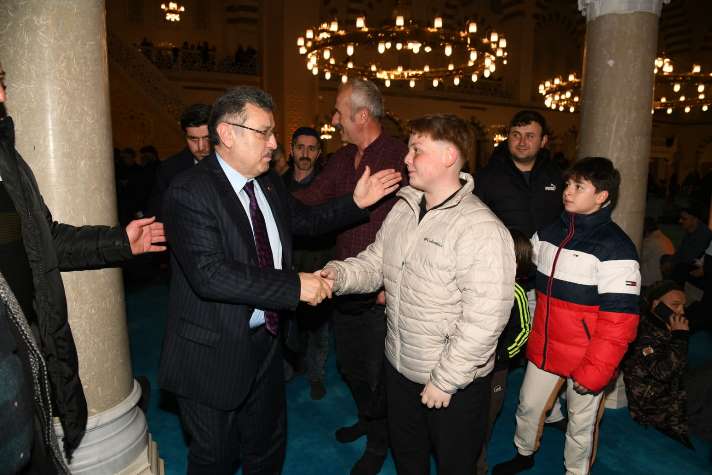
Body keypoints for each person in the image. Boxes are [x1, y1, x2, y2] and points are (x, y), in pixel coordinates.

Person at [158, 86, 401, 475]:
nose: (274, 144)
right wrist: (295, 286)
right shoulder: (190, 191)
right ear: (227, 134)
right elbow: (210, 275)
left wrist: (356, 203)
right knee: (215, 459)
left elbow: (305, 220)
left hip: (267, 343)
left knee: (267, 449)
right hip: (213, 353)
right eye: (264, 133)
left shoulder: (267, 182)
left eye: (272, 133)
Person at [321, 114, 516, 474]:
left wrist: (445, 379)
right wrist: (337, 275)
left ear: (449, 156)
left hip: (452, 382)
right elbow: (375, 262)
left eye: (416, 150)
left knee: (455, 467)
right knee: (408, 460)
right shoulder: (405, 207)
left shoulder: (482, 228)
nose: (406, 158)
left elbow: (485, 320)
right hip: (399, 367)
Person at [0, 61, 166, 474]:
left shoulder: (9, 161)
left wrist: (120, 241)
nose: (3, 96)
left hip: (28, 351)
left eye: (0, 82)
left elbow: (46, 240)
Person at [493, 157, 641, 475]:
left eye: (578, 186)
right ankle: (524, 453)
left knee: (581, 424)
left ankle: (575, 471)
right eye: (568, 184)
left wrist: (596, 371)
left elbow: (620, 323)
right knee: (528, 405)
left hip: (586, 356)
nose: (568, 192)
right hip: (545, 347)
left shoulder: (617, 248)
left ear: (602, 196)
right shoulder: (549, 231)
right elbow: (522, 266)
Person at [292, 77, 407, 474]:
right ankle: (367, 420)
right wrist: (261, 199)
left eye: (339, 112)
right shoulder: (342, 159)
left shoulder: (400, 156)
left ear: (361, 116)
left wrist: (396, 283)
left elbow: (419, 224)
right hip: (343, 284)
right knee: (350, 367)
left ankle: (379, 443)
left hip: (382, 292)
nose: (334, 119)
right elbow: (309, 200)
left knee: (377, 375)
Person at [282, 126, 333, 399]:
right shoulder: (277, 184)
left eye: (311, 148)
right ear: (291, 150)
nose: (305, 153)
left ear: (319, 152)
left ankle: (316, 376)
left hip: (318, 265)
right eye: (300, 147)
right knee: (288, 327)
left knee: (319, 330)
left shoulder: (326, 186)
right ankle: (293, 365)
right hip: (287, 268)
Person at [477, 229, 533, 475]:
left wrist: (502, 355)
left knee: (486, 420)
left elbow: (524, 330)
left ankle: (478, 466)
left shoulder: (516, 292)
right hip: (470, 363)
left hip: (497, 368)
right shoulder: (478, 282)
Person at [474, 110, 563, 239]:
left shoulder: (557, 177)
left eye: (530, 136)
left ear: (543, 141)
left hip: (548, 250)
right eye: (516, 135)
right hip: (502, 250)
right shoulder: (485, 178)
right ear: (508, 137)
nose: (522, 142)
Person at [146, 103, 211, 220]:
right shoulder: (168, 171)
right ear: (185, 137)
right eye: (193, 139)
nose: (201, 147)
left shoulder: (236, 164)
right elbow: (157, 216)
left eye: (207, 138)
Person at [640, 216, 675, 287]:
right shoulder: (665, 239)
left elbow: (637, 257)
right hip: (661, 280)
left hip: (650, 282)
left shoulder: (650, 241)